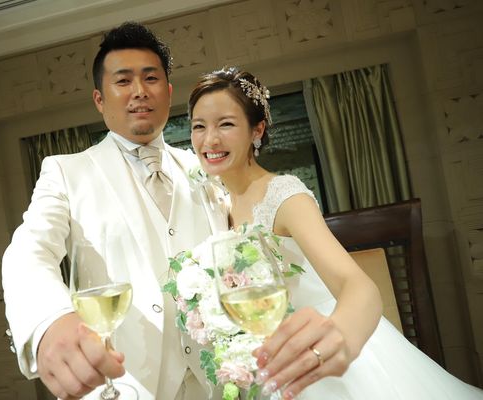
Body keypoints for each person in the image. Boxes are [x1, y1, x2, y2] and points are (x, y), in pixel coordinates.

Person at [187, 66, 483, 399]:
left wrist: (339, 335)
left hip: (321, 361)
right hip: (270, 365)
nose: (209, 140)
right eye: (199, 126)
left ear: (257, 130)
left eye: (226, 124)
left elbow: (358, 286)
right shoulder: (216, 201)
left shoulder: (285, 196)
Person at [2, 22, 227, 400]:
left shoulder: (204, 167)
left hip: (219, 383)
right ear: (99, 99)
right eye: (123, 81)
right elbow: (28, 251)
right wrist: (49, 320)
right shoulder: (66, 173)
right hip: (124, 384)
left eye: (151, 78)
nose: (140, 91)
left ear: (169, 91)